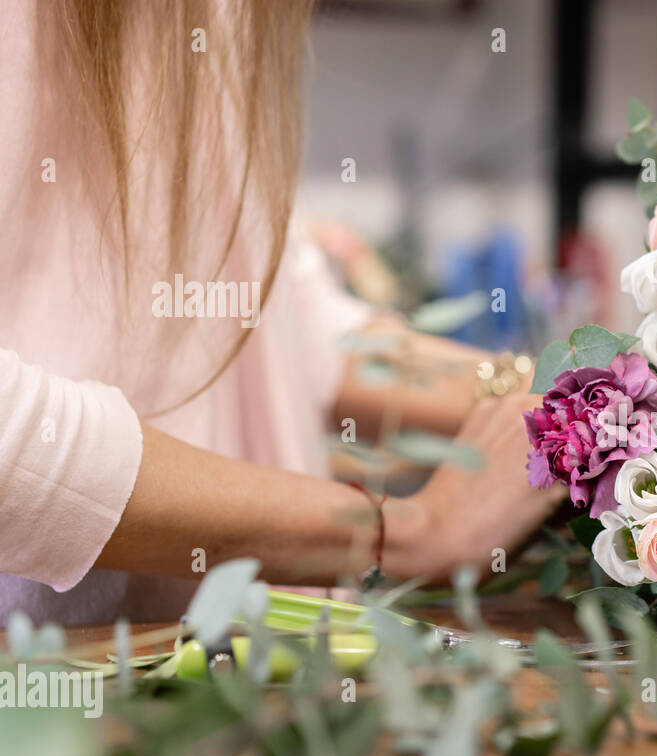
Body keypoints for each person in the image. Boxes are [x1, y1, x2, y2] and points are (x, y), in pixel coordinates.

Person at [0, 0, 561, 624]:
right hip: (55, 684)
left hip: (223, 657)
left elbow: (258, 312)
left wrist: (555, 405)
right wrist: (406, 534)